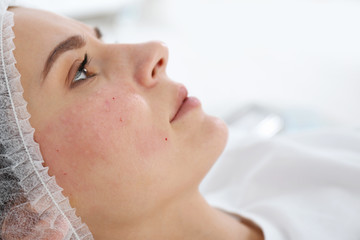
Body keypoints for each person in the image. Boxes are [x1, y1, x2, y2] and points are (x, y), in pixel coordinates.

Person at [1, 2, 359, 240]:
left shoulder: (286, 155)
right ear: (29, 222)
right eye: (82, 72)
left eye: (103, 38)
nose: (154, 50)